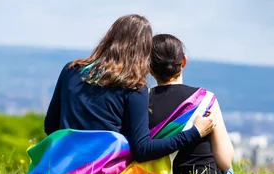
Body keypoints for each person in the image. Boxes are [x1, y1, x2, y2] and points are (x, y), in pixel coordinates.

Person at [43, 15, 217, 163]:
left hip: (63, 166)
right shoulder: (134, 86)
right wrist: (194, 133)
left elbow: (50, 126)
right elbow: (142, 150)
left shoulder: (70, 70)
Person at [148, 34, 235, 174]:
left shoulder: (143, 102)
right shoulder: (205, 99)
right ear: (184, 61)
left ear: (149, 68)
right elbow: (224, 161)